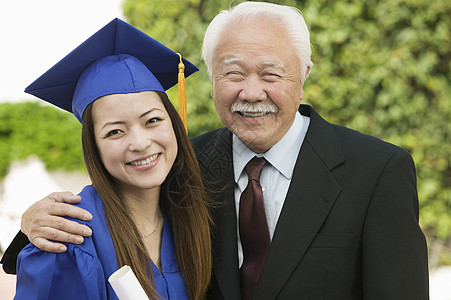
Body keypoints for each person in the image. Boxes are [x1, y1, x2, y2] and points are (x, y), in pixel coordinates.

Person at [2, 2, 429, 299]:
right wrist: (31, 228)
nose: (251, 91)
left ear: (304, 75)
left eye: (271, 72)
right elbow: (113, 205)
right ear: (210, 80)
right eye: (233, 72)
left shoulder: (376, 171)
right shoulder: (185, 166)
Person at [10, 18, 212, 300]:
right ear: (94, 145)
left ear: (174, 124)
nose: (140, 143)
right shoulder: (69, 239)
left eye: (152, 120)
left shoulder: (194, 213)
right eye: (115, 131)